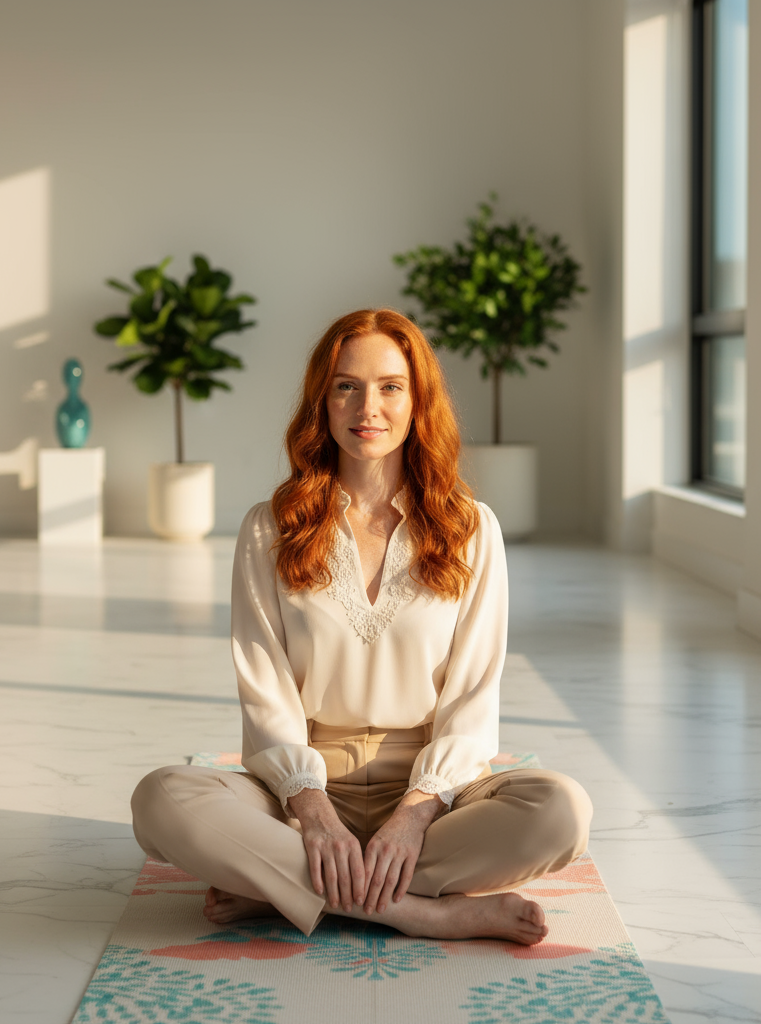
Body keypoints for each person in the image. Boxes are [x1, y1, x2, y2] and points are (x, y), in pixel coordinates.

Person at [130, 308, 592, 946]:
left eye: (390, 386)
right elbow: (266, 692)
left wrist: (414, 812)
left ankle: (283, 890)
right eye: (346, 385)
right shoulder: (269, 527)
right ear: (322, 400)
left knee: (562, 812)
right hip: (299, 794)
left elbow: (472, 699)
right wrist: (312, 814)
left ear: (417, 400)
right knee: (161, 800)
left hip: (434, 800)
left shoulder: (472, 529)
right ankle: (420, 911)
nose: (366, 406)